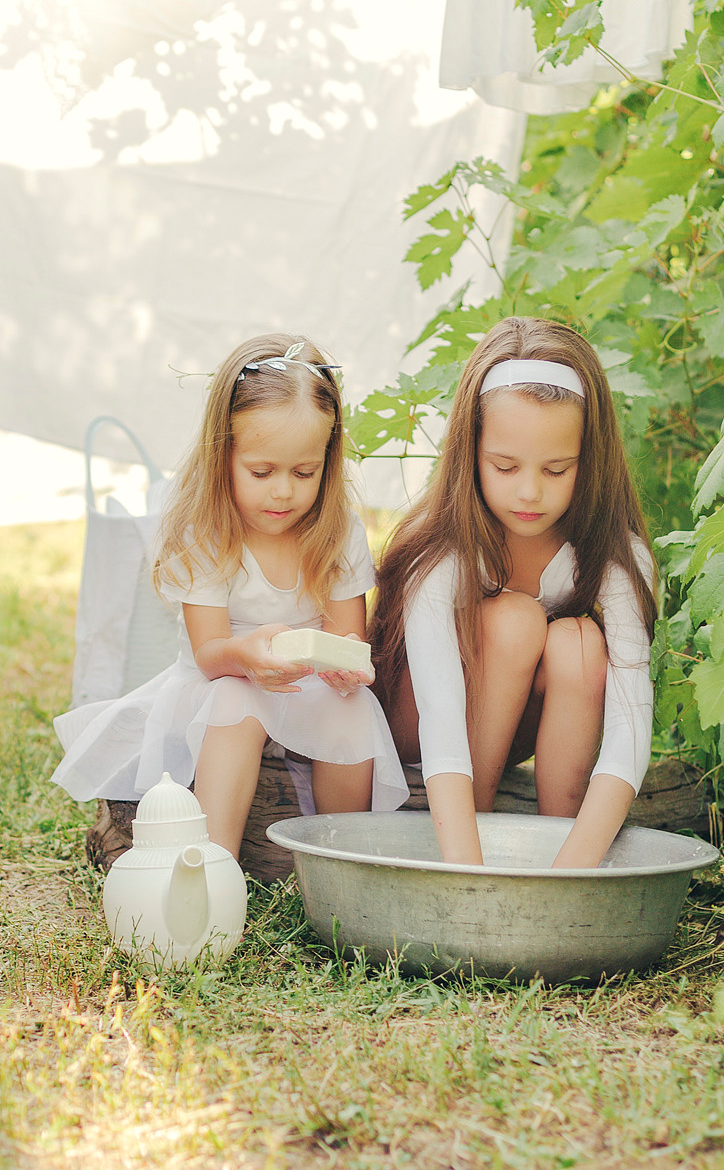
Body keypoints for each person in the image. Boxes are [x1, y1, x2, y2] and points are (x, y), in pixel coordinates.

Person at [52, 335, 408, 856]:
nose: (283, 491)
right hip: (215, 681)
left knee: (350, 708)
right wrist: (246, 655)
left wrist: (346, 665)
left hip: (303, 685)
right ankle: (215, 861)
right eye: (261, 472)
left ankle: (339, 856)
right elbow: (210, 652)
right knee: (237, 698)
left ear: (327, 462)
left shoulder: (337, 532)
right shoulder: (208, 533)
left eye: (304, 472)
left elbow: (345, 632)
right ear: (224, 455)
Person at [371, 317, 656, 869]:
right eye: (504, 466)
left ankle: (558, 845)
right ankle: (473, 841)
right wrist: (465, 872)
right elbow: (439, 708)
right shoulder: (444, 550)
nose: (530, 492)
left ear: (588, 460)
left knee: (579, 643)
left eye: (556, 469)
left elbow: (630, 722)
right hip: (424, 725)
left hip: (514, 723)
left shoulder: (614, 556)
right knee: (516, 621)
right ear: (471, 451)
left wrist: (578, 871)